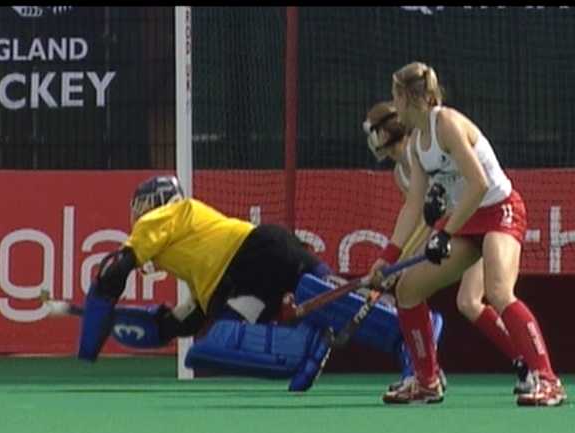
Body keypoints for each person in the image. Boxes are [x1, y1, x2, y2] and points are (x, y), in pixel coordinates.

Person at [74, 174, 441, 392]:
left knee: (221, 339)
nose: (136, 216)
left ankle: (394, 335)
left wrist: (92, 334)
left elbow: (113, 271)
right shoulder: (190, 242)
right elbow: (182, 321)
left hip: (251, 259)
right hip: (250, 268)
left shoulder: (161, 217)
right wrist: (139, 323)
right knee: (224, 335)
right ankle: (410, 343)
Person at [370, 61, 566, 406]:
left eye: (395, 96)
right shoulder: (416, 145)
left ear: (407, 97)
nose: (393, 104)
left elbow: (479, 183)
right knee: (408, 290)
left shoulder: (446, 124)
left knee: (498, 291)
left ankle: (548, 380)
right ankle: (427, 381)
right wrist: (388, 256)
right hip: (467, 220)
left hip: (500, 211)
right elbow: (413, 205)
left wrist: (445, 234)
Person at [364, 100, 532, 394]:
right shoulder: (402, 174)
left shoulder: (431, 144)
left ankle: (527, 362)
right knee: (411, 290)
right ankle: (427, 375)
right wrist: (395, 260)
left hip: (478, 221)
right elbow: (421, 220)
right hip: (455, 230)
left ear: (384, 133)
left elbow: (438, 218)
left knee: (470, 301)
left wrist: (407, 255)